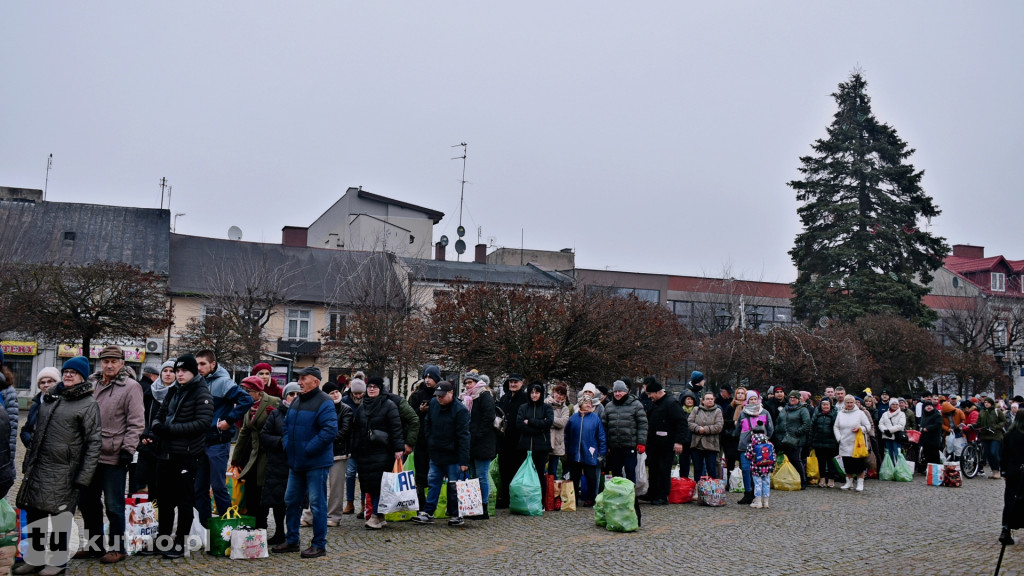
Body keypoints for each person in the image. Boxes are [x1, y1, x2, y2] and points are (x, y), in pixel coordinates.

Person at [15, 356, 101, 576]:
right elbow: (35, 433)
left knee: (61, 519)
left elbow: (93, 443)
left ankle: (58, 562)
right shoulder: (50, 398)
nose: (68, 374)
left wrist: (84, 477)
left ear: (82, 376)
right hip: (39, 468)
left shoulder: (88, 404)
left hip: (65, 472)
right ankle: (34, 558)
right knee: (35, 516)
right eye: (66, 371)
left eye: (74, 372)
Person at [77, 345, 145, 564]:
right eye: (105, 361)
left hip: (115, 454)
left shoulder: (131, 387)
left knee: (114, 505)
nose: (108, 365)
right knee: (88, 502)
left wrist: (128, 449)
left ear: (122, 364)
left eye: (113, 361)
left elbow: (136, 422)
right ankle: (94, 546)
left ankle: (118, 548)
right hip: (89, 454)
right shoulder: (92, 385)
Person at [147, 354, 214, 559]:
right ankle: (163, 540)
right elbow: (160, 414)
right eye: (177, 371)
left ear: (193, 372)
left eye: (183, 370)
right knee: (164, 500)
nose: (179, 374)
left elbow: (202, 423)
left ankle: (180, 543)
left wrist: (169, 429)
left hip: (187, 454)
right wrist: (155, 428)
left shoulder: (202, 393)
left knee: (185, 501)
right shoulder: (174, 390)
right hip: (166, 452)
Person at [195, 349, 252, 526]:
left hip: (218, 442)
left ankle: (228, 527)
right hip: (200, 441)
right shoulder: (198, 382)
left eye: (203, 364)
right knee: (199, 489)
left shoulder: (224, 382)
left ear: (213, 364)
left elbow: (246, 400)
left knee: (218, 487)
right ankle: (206, 528)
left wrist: (229, 420)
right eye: (197, 364)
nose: (199, 368)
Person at [348, 377, 403, 531]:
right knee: (369, 485)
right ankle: (380, 516)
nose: (371, 389)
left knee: (379, 485)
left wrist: (398, 449)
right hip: (365, 451)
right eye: (369, 387)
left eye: (375, 387)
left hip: (383, 451)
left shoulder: (389, 405)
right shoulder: (362, 406)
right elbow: (356, 429)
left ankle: (375, 515)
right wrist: (354, 448)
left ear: (380, 389)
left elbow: (396, 428)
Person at [413, 381, 471, 526]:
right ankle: (428, 511)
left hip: (453, 455)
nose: (439, 398)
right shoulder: (433, 403)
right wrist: (430, 440)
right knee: (433, 483)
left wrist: (464, 461)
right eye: (438, 396)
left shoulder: (460, 410)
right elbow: (428, 422)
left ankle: (455, 514)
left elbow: (464, 436)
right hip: (436, 452)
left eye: (442, 396)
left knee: (453, 486)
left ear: (451, 393)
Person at [231, 376, 282, 532]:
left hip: (270, 456)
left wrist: (274, 415)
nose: (245, 394)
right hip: (253, 455)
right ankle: (254, 525)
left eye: (248, 391)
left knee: (264, 491)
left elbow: (281, 424)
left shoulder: (273, 402)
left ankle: (263, 524)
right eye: (243, 390)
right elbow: (244, 432)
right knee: (252, 489)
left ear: (259, 392)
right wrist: (235, 459)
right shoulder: (247, 404)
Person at [259, 383, 300, 545]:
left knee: (293, 502)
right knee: (277, 501)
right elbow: (265, 436)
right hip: (277, 463)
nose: (295, 397)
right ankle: (278, 532)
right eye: (291, 394)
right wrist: (281, 442)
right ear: (285, 396)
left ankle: (292, 534)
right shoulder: (276, 414)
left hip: (295, 463)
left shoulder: (304, 413)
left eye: (297, 394)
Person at [311, 380, 353, 526]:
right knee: (315, 484)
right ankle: (310, 515)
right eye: (331, 393)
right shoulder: (320, 407)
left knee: (336, 486)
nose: (335, 395)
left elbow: (345, 431)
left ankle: (334, 516)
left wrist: (325, 439)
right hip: (321, 451)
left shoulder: (346, 409)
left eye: (336, 392)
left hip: (339, 452)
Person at [644, 379, 686, 505]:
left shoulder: (671, 403)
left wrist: (679, 442)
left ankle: (662, 496)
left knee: (664, 470)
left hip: (666, 444)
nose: (649, 397)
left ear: (658, 392)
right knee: (653, 469)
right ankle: (652, 493)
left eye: (651, 394)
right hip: (653, 443)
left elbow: (682, 423)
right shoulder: (654, 403)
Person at [408, 365, 441, 510]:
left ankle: (436, 503)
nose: (427, 380)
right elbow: (409, 415)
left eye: (431, 377)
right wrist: (419, 411)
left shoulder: (441, 394)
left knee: (436, 472)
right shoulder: (417, 395)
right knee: (420, 472)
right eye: (426, 377)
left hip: (437, 439)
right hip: (421, 439)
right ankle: (421, 504)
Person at [601, 380, 647, 484]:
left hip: (630, 446)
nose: (617, 394)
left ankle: (631, 496)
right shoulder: (609, 406)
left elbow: (643, 424)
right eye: (615, 391)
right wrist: (606, 444)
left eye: (620, 391)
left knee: (630, 471)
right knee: (616, 472)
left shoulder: (636, 405)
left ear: (626, 391)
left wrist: (641, 442)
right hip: (614, 447)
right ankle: (619, 496)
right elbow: (604, 426)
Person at [464, 370, 496, 518]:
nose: (467, 385)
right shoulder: (466, 398)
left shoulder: (484, 395)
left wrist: (476, 435)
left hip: (483, 442)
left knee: (481, 475)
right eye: (466, 383)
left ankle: (483, 508)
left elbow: (488, 418)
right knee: (472, 476)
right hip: (470, 442)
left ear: (476, 382)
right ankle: (474, 506)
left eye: (470, 382)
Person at [564, 395, 606, 506]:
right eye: (586, 402)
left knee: (591, 478)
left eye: (590, 403)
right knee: (574, 478)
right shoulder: (573, 418)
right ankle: (574, 499)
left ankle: (591, 499)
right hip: (574, 454)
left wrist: (601, 453)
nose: (589, 405)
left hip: (590, 454)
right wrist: (567, 449)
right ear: (581, 404)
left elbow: (601, 436)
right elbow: (567, 435)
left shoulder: (595, 418)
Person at [517, 382, 554, 505]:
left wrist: (531, 422)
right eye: (532, 392)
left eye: (537, 392)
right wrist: (537, 427)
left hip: (541, 447)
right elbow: (519, 424)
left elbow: (548, 422)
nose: (534, 395)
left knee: (539, 474)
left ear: (541, 393)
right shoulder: (523, 407)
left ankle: (540, 501)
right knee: (525, 475)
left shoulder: (547, 408)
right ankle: (525, 500)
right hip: (525, 446)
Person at [495, 374, 528, 509]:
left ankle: (515, 498)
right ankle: (505, 497)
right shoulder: (504, 398)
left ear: (521, 383)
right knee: (504, 470)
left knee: (516, 470)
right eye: (511, 382)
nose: (513, 384)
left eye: (515, 382)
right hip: (504, 440)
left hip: (518, 440)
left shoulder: (525, 398)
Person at [736, 391, 774, 505]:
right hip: (745, 446)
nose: (753, 401)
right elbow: (738, 429)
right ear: (747, 401)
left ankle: (758, 494)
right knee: (746, 470)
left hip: (760, 448)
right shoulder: (743, 413)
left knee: (759, 472)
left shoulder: (765, 413)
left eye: (755, 399)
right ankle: (748, 493)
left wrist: (763, 440)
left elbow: (770, 429)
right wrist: (744, 438)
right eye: (751, 399)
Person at [834, 394, 873, 491]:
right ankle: (849, 482)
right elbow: (836, 427)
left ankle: (860, 483)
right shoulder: (840, 413)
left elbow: (868, 426)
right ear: (845, 403)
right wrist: (839, 438)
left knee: (859, 465)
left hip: (857, 444)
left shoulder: (860, 413)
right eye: (848, 402)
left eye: (852, 402)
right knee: (847, 464)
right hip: (844, 442)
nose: (850, 404)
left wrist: (860, 428)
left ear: (855, 403)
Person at [128, 365, 158, 494]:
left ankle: (133, 495)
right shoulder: (150, 390)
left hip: (138, 435)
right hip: (144, 436)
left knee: (135, 471)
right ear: (153, 376)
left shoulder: (138, 386)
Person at [775, 390, 810, 488]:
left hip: (795, 440)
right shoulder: (784, 409)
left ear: (799, 399)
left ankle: (803, 480)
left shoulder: (803, 410)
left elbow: (806, 424)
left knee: (795, 460)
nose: (792, 399)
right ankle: (788, 479)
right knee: (784, 460)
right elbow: (778, 421)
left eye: (794, 398)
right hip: (783, 439)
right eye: (790, 398)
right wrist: (778, 432)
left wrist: (797, 433)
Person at [341, 378, 366, 515]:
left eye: (360, 393)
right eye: (355, 394)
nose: (358, 396)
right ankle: (350, 503)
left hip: (363, 444)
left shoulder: (367, 401)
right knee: (350, 474)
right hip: (350, 443)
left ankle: (363, 504)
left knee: (363, 475)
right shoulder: (345, 402)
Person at [999, 413, 1024, 545]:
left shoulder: (1009, 435)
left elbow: (1003, 454)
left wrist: (1003, 470)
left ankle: (1005, 529)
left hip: (1012, 471)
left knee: (1010, 500)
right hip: (1020, 470)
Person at [20, 367, 60, 449]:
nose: (46, 385)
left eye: (50, 381)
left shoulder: (62, 403)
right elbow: (26, 429)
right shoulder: (35, 405)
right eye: (42, 382)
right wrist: (30, 442)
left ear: (57, 383)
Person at [689, 391, 723, 479]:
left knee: (712, 470)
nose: (710, 401)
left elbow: (719, 426)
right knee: (697, 470)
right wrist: (698, 429)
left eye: (711, 399)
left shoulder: (718, 411)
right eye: (708, 399)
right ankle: (697, 489)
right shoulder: (696, 410)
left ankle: (712, 490)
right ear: (703, 400)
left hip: (711, 445)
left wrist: (705, 430)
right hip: (697, 445)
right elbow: (689, 423)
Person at [809, 397, 839, 488]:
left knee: (831, 462)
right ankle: (822, 478)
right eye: (823, 404)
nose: (825, 406)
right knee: (820, 461)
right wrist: (811, 440)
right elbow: (812, 427)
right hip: (819, 441)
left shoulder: (835, 414)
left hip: (831, 442)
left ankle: (831, 479)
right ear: (820, 405)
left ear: (830, 405)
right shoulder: (817, 413)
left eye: (827, 404)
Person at [978, 397, 1008, 479]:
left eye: (988, 402)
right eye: (985, 402)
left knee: (993, 452)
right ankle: (994, 471)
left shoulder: (997, 411)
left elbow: (1004, 421)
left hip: (996, 435)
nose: (986, 403)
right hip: (985, 435)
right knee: (988, 454)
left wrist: (997, 426)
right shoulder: (982, 412)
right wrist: (972, 426)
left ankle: (998, 470)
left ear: (991, 403)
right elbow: (978, 423)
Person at [546, 383, 571, 477]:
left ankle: (552, 490)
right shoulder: (545, 403)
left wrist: (549, 420)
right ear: (553, 392)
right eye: (557, 392)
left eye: (561, 394)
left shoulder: (565, 409)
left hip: (557, 442)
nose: (558, 395)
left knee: (553, 470)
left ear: (564, 396)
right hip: (545, 440)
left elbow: (562, 423)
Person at [745, 432, 775, 509]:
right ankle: (766, 502)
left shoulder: (752, 445)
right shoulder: (770, 444)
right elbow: (773, 456)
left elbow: (748, 456)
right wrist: (772, 467)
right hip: (767, 468)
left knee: (758, 484)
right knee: (766, 484)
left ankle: (758, 502)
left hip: (756, 469)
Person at [878, 398, 907, 465]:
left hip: (896, 437)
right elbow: (881, 424)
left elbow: (901, 425)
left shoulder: (901, 414)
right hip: (887, 437)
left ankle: (899, 468)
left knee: (898, 454)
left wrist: (890, 430)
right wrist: (884, 430)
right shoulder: (885, 414)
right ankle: (891, 468)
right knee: (888, 454)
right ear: (890, 405)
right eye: (893, 404)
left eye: (896, 404)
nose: (895, 406)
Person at [677, 391, 697, 478]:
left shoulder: (698, 411)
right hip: (684, 441)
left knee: (697, 465)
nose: (690, 401)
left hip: (695, 441)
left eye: (692, 399)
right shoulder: (680, 411)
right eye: (688, 399)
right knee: (684, 464)